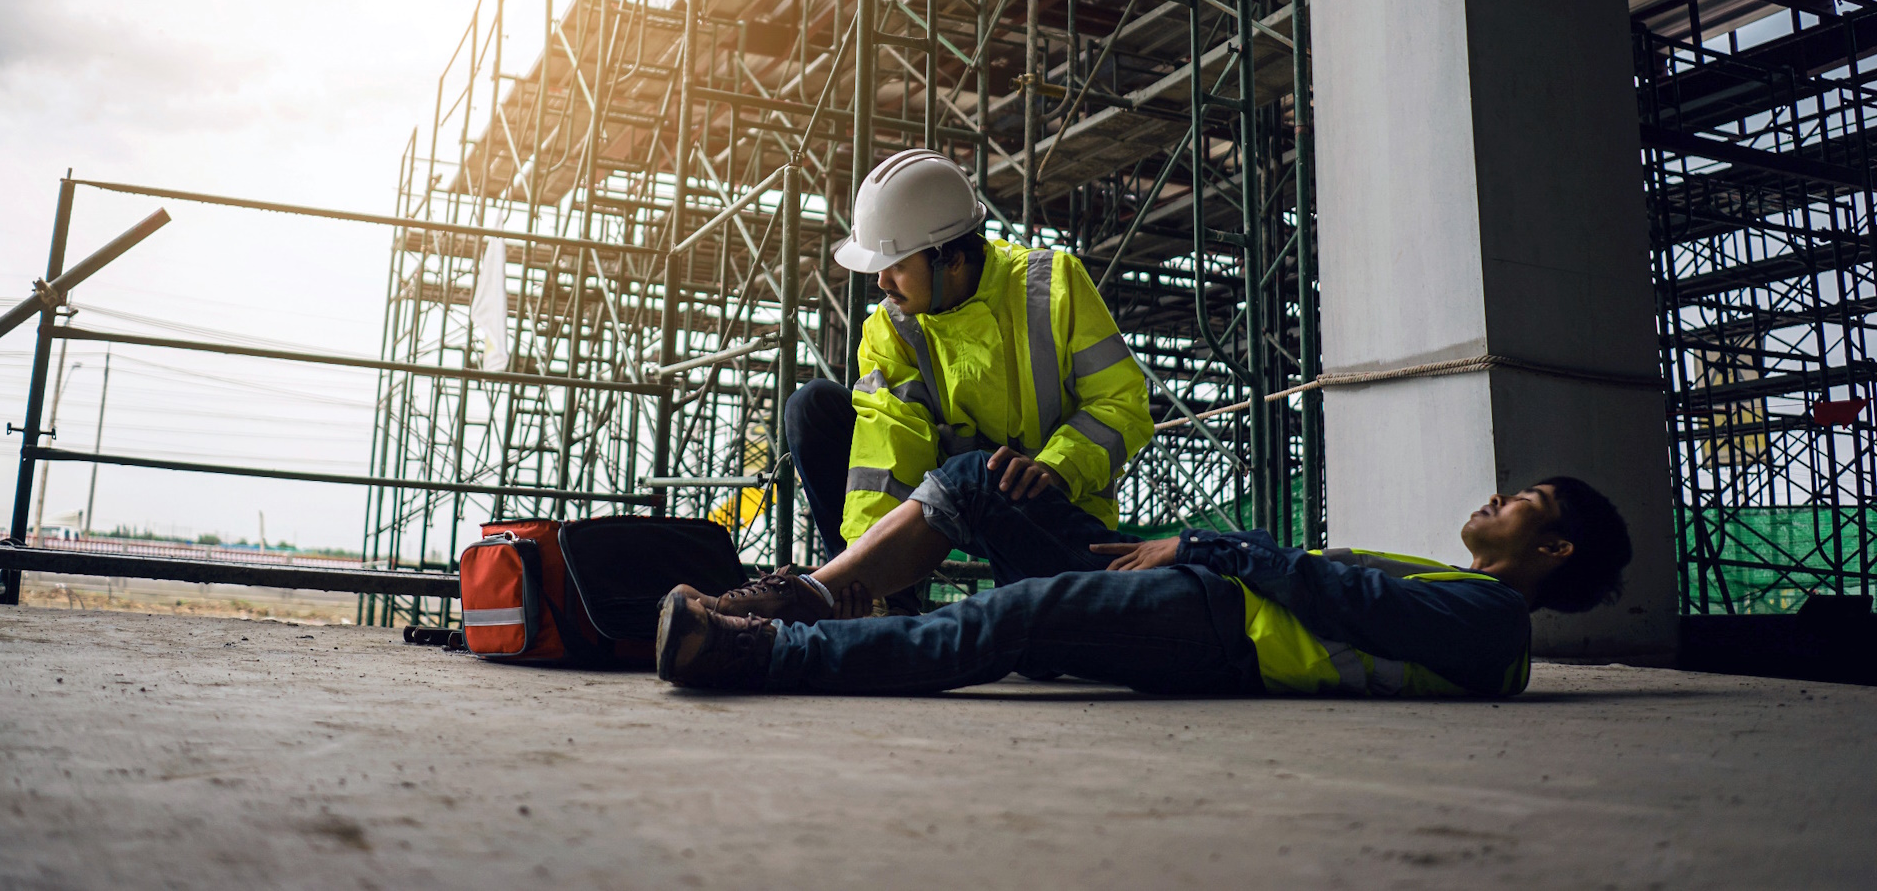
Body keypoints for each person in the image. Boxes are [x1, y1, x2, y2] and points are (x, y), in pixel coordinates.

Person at [653, 455, 1633, 697]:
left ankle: (756, 652)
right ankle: (805, 594)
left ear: (1553, 551)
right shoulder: (1460, 589)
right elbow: (1335, 580)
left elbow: (1342, 597)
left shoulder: (1496, 633)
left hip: (1216, 625)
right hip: (1209, 584)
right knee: (976, 481)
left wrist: (1199, 548)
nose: (1498, 500)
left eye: (1523, 502)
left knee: (1008, 616)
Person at [701, 148, 1153, 622]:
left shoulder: (1052, 286)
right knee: (811, 406)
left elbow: (1121, 402)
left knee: (1043, 651)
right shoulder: (892, 328)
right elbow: (887, 449)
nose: (881, 281)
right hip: (937, 503)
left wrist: (1058, 467)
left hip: (1045, 504)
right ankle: (880, 603)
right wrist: (864, 569)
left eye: (895, 264)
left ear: (951, 259)